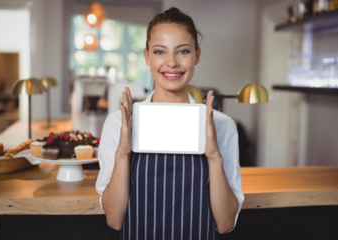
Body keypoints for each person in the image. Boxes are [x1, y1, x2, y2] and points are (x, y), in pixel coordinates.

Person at [96, 7, 244, 240]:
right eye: (160, 52)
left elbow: (225, 223)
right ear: (147, 56)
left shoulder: (222, 126)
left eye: (183, 51)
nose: (172, 63)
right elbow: (114, 219)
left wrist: (214, 158)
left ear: (197, 55)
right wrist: (123, 154)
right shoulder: (119, 124)